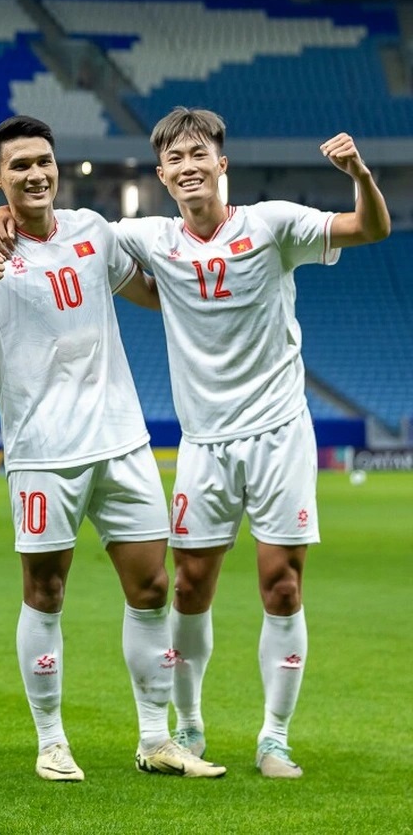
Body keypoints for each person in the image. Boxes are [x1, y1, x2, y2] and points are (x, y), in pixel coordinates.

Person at [105, 109, 390, 778]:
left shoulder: (271, 224)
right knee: (189, 587)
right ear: (161, 175)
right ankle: (190, 724)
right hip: (204, 442)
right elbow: (77, 242)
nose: (188, 166)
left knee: (282, 586)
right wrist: (3, 221)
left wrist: (359, 174)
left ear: (221, 163)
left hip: (279, 433)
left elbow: (370, 227)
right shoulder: (150, 237)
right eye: (175, 159)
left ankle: (274, 737)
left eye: (198, 154)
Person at [0, 116, 223, 781]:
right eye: (19, 166)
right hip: (43, 452)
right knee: (44, 592)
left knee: (152, 586)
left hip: (122, 440)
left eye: (43, 161)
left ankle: (155, 738)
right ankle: (51, 742)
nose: (35, 174)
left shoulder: (94, 231)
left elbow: (150, 293)